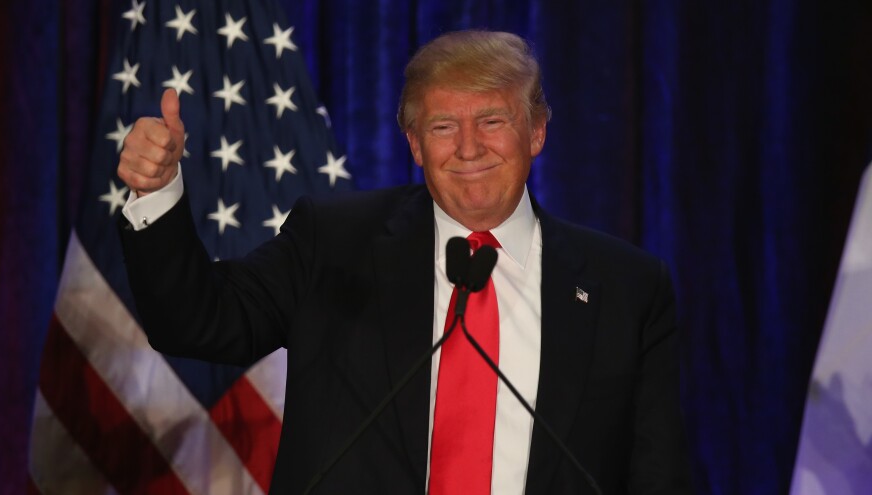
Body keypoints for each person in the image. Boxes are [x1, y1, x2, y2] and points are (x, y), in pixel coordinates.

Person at [118, 30, 692, 494]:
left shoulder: (627, 289)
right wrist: (158, 194)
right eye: (444, 127)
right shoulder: (334, 243)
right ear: (415, 145)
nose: (469, 148)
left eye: (492, 120)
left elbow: (657, 477)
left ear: (537, 131)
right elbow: (198, 321)